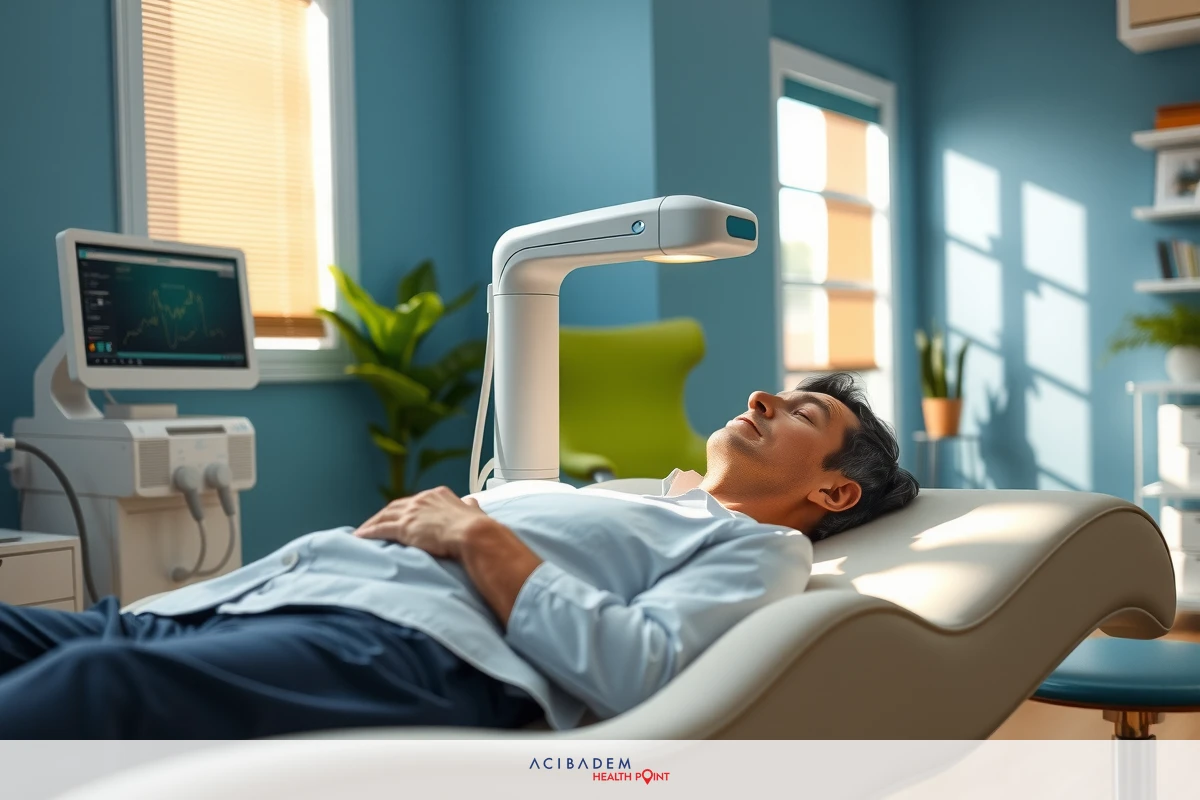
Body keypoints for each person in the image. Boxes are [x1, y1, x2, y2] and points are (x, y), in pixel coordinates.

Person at [0, 373, 917, 738]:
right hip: (246, 602)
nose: (761, 395)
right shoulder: (624, 500)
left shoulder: (755, 549)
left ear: (833, 493)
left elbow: (637, 668)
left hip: (401, 649)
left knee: (92, 689)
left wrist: (474, 530)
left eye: (803, 413)